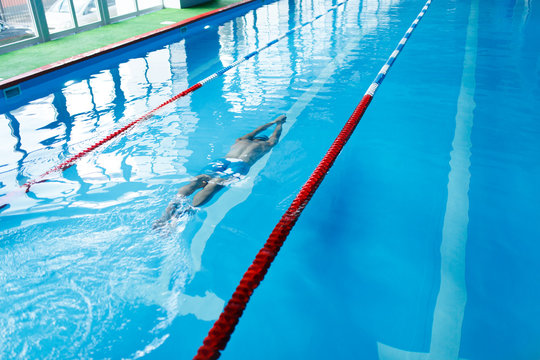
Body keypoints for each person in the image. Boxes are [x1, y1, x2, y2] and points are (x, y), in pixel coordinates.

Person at [155, 115, 286, 227]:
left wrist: (272, 122)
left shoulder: (241, 140)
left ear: (254, 137)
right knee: (215, 184)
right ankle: (186, 211)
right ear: (263, 140)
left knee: (199, 180)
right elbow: (275, 136)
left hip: (222, 161)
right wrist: (279, 124)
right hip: (240, 165)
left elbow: (256, 130)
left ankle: (168, 211)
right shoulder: (266, 145)